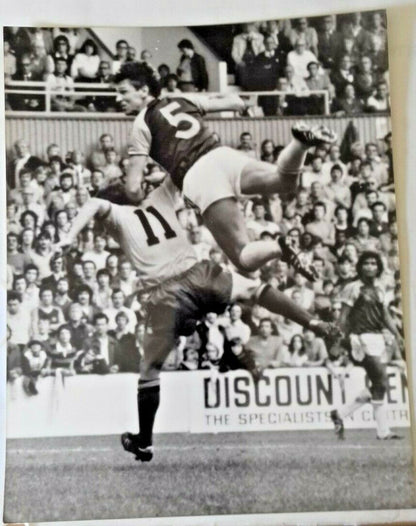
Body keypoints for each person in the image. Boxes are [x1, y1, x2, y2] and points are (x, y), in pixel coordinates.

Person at [58, 177, 340, 462]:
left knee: (150, 368)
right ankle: (311, 321)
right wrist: (158, 174)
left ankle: (144, 442)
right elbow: (182, 173)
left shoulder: (117, 212)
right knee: (254, 290)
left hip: (166, 292)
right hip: (200, 274)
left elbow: (93, 203)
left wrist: (69, 236)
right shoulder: (160, 198)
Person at [115, 61, 336, 280]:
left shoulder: (141, 124)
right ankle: (300, 144)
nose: (118, 99)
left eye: (123, 92)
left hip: (199, 177)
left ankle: (281, 246)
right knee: (285, 181)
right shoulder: (181, 99)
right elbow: (235, 101)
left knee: (243, 259)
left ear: (144, 90)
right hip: (221, 155)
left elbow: (133, 188)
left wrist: (146, 197)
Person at [330, 251, 404, 440]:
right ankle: (382, 431)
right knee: (381, 381)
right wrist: (337, 341)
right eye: (366, 263)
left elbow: (385, 315)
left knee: (378, 385)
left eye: (373, 263)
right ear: (360, 267)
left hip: (378, 338)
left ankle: (340, 413)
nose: (370, 266)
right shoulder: (353, 288)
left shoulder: (380, 288)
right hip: (360, 338)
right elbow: (344, 317)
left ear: (379, 267)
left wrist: (397, 334)